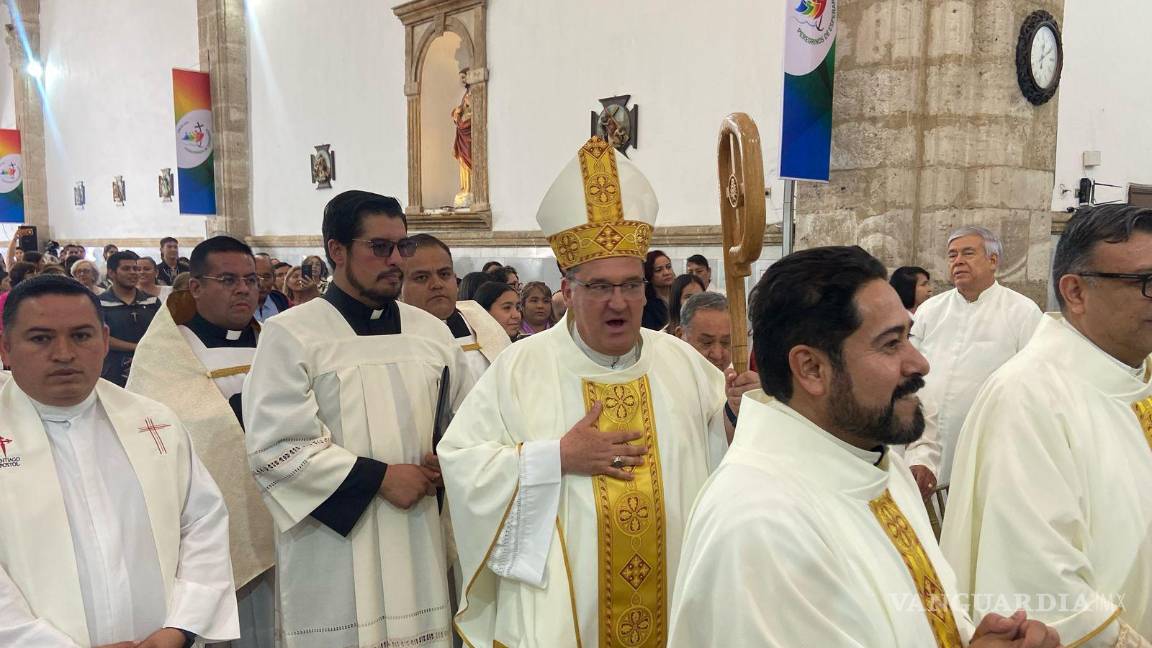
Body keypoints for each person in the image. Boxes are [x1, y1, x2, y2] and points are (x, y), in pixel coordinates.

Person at [666, 246, 1061, 648]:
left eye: (908, 336)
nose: (920, 363)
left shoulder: (876, 464)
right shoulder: (760, 524)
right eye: (891, 344)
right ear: (811, 369)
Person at [440, 137, 735, 647]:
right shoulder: (519, 369)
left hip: (675, 603)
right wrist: (554, 457)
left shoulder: (687, 366)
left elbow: (725, 469)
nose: (618, 302)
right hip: (564, 615)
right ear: (568, 289)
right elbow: (462, 463)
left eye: (631, 284)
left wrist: (737, 413)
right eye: (599, 286)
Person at [243, 190, 472, 648]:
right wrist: (380, 478)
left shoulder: (430, 333)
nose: (396, 261)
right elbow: (276, 449)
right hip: (332, 545)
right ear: (337, 251)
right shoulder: (291, 334)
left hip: (418, 535)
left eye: (401, 247)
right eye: (380, 247)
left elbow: (468, 422)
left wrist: (452, 462)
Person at [942, 204, 1152, 646]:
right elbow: (1043, 591)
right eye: (1146, 283)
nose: (958, 262)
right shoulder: (1030, 398)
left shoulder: (1134, 377)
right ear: (1075, 292)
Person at [0, 274, 239, 645]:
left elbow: (202, 524)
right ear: (5, 348)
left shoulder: (153, 421)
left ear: (105, 341)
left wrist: (181, 628)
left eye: (81, 336)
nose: (64, 353)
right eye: (41, 338)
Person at [128, 236, 277, 648]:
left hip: (285, 521)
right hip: (209, 536)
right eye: (228, 279)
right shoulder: (167, 355)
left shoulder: (275, 344)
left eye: (250, 279)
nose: (244, 289)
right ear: (194, 287)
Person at [902, 226, 1041, 489]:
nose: (958, 261)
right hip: (923, 437)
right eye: (952, 255)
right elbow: (910, 371)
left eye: (968, 253)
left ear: (993, 260)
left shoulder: (1022, 312)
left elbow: (1032, 383)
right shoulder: (931, 310)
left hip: (985, 439)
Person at [400, 233, 511, 387]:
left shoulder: (482, 324)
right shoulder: (390, 335)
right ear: (399, 286)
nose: (437, 284)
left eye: (444, 274)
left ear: (455, 279)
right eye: (421, 277)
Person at [99, 250, 160, 386]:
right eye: (126, 268)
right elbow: (101, 336)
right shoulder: (99, 303)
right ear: (111, 273)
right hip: (113, 371)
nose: (133, 272)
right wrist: (136, 347)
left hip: (149, 367)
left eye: (135, 268)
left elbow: (161, 331)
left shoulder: (151, 301)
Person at [641, 249, 674, 330]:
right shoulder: (646, 305)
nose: (666, 272)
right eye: (659, 270)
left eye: (668, 267)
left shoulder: (680, 293)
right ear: (649, 274)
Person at [252, 253, 289, 322]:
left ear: (274, 278)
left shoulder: (281, 300)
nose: (261, 284)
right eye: (255, 277)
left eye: (266, 277)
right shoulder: (236, 306)